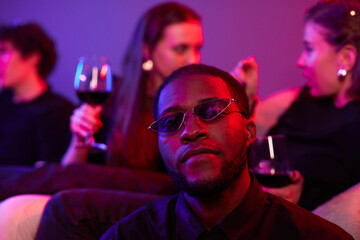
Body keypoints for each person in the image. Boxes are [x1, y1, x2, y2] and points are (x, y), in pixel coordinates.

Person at [100, 63, 353, 239]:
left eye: (211, 112)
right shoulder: (127, 235)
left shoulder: (316, 236)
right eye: (171, 122)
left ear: (249, 131)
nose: (191, 131)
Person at [246, 0, 360, 211]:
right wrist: (247, 102)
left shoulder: (354, 124)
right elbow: (263, 148)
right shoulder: (308, 99)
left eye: (309, 49)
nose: (300, 61)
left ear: (346, 58)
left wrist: (304, 196)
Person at [61, 2, 203, 171]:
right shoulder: (112, 95)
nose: (193, 60)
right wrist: (79, 138)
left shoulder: (195, 103)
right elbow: (69, 174)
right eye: (181, 49)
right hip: (105, 193)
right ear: (147, 50)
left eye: (197, 48)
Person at [0, 22, 74, 166]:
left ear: (33, 57)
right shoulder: (4, 101)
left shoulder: (57, 111)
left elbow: (48, 175)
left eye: (3, 52)